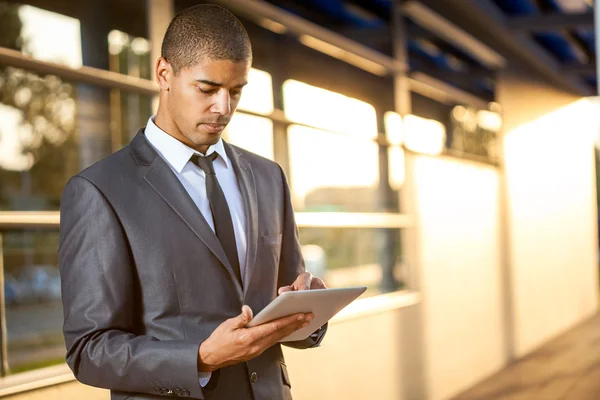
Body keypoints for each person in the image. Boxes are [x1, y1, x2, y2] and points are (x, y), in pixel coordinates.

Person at [58, 5, 327, 400]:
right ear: (164, 74)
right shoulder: (100, 190)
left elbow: (282, 304)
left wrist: (308, 311)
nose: (225, 108)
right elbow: (89, 350)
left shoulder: (269, 177)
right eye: (207, 89)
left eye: (236, 91)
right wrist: (200, 357)